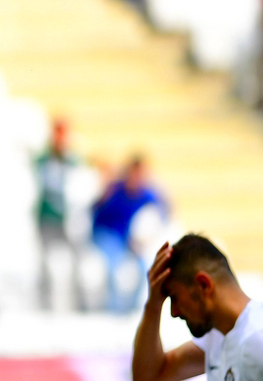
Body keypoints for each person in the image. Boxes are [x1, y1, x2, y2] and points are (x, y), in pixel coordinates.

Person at [132, 234, 263, 381]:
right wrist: (153, 306)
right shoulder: (218, 337)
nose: (174, 312)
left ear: (203, 285)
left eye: (174, 297)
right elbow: (148, 377)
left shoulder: (257, 339)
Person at [93, 155, 167, 313]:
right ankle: (112, 307)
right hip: (110, 237)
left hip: (130, 242)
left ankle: (133, 307)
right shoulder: (115, 190)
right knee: (113, 268)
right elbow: (98, 214)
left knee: (144, 267)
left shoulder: (147, 195)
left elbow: (161, 213)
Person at [34, 118, 84, 310]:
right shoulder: (42, 160)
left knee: (77, 261)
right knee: (45, 263)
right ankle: (44, 303)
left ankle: (79, 303)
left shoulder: (74, 161)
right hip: (47, 219)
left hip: (69, 221)